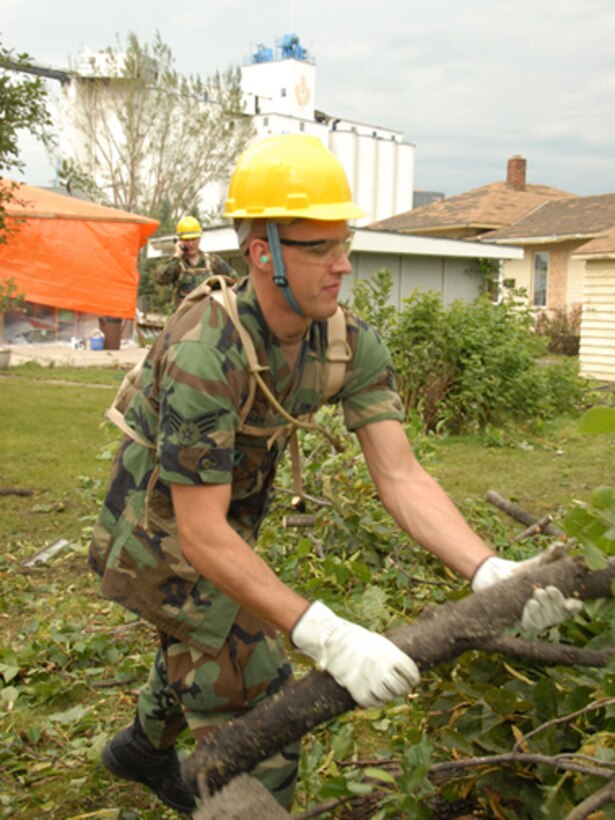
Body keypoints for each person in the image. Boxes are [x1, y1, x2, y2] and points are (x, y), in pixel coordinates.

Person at [89, 134, 582, 815]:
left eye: (342, 243)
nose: (341, 265)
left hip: (226, 519)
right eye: (317, 248)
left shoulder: (345, 342)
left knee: (205, 642)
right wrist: (325, 631)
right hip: (158, 532)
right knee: (251, 680)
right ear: (262, 253)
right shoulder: (207, 349)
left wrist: (488, 570)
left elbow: (402, 476)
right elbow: (198, 535)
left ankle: (142, 748)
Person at [155, 215, 235, 309]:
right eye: (186, 240)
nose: (191, 244)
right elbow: (160, 278)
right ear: (179, 240)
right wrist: (177, 255)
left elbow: (235, 280)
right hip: (183, 319)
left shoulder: (213, 261)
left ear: (200, 238)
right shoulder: (176, 264)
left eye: (194, 239)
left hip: (208, 319)